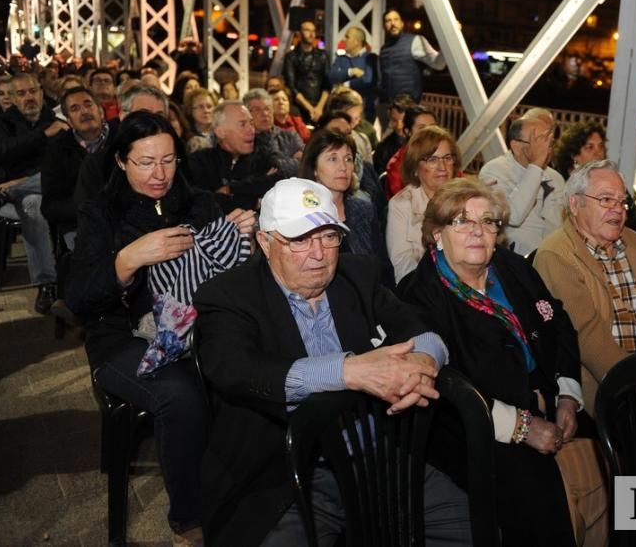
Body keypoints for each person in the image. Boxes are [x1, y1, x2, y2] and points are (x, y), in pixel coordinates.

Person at [192, 177, 470, 546]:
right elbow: (237, 370)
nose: (319, 253)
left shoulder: (358, 276)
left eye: (328, 236)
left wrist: (419, 365)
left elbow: (425, 332)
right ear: (264, 241)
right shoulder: (229, 295)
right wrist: (350, 371)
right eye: (299, 239)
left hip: (378, 459)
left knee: (476, 529)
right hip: (286, 476)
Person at [66, 111, 255, 545]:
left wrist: (241, 234)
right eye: (146, 162)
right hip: (121, 339)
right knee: (181, 395)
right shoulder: (100, 213)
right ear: (120, 162)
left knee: (247, 375)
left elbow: (227, 277)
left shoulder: (201, 202)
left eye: (169, 160)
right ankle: (190, 522)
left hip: (199, 332)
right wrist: (127, 260)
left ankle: (248, 493)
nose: (160, 174)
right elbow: (77, 299)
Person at [397, 177, 580, 547]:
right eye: (462, 221)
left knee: (623, 461)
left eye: (488, 221)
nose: (478, 232)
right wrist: (521, 427)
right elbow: (443, 385)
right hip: (473, 429)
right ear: (436, 234)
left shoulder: (513, 268)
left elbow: (557, 323)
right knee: (533, 493)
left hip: (548, 404)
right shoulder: (419, 296)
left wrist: (567, 394)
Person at [534, 160, 636, 414]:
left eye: (621, 201)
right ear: (575, 204)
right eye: (605, 199)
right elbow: (589, 340)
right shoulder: (556, 255)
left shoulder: (635, 244)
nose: (617, 209)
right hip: (598, 385)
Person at [0, 72, 66, 313]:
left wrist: (24, 180)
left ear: (41, 93)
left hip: (35, 189)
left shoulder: (55, 118)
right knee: (33, 206)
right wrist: (42, 135)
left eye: (33, 91)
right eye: (21, 93)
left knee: (40, 193)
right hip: (17, 199)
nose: (29, 97)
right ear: (14, 99)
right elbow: (1, 152)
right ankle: (47, 283)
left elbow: (60, 164)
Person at [479, 108, 565, 256]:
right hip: (513, 259)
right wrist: (536, 166)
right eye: (539, 141)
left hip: (551, 258)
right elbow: (513, 216)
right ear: (516, 147)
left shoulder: (556, 178)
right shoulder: (494, 171)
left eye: (549, 142)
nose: (546, 149)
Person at [41, 87, 114, 248]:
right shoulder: (56, 150)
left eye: (88, 105)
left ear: (100, 110)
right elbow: (50, 207)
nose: (84, 112)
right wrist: (88, 206)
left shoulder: (120, 137)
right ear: (68, 120)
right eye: (75, 109)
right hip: (80, 224)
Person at [387, 125, 459, 284]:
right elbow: (402, 266)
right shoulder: (402, 204)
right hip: (423, 287)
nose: (442, 167)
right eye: (432, 160)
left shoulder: (465, 200)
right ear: (415, 167)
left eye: (447, 158)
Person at [298, 129, 384, 259]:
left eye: (348, 159)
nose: (343, 167)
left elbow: (382, 264)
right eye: (333, 159)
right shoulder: (299, 213)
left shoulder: (364, 210)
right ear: (314, 168)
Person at [188, 101, 281, 211]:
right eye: (242, 124)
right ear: (220, 132)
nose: (251, 130)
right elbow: (202, 202)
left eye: (251, 123)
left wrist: (231, 189)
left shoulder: (263, 157)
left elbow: (278, 185)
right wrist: (255, 200)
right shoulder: (199, 161)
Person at [378, 9, 445, 121]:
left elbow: (438, 64)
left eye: (396, 19)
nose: (393, 23)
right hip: (389, 110)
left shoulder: (416, 41)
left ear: (402, 23)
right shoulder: (384, 49)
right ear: (384, 26)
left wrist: (448, 39)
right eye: (388, 21)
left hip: (408, 110)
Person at [243, 88, 302, 177]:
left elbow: (305, 164)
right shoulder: (244, 140)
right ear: (246, 113)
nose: (265, 113)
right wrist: (292, 161)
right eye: (257, 109)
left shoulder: (290, 136)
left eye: (267, 108)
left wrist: (276, 166)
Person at [383, 104, 437, 198]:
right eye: (422, 128)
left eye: (432, 127)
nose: (429, 132)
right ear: (408, 131)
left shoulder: (445, 155)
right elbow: (402, 200)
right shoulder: (397, 164)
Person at [282, 19, 330, 123]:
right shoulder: (291, 57)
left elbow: (328, 84)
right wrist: (310, 108)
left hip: (320, 106)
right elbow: (291, 85)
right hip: (299, 107)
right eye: (307, 30)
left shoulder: (323, 55)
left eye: (313, 31)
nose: (312, 34)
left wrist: (319, 108)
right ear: (299, 33)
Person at [328, 26, 378, 121]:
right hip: (340, 112)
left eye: (347, 37)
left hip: (364, 112)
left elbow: (367, 80)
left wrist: (346, 84)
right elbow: (332, 76)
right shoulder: (341, 58)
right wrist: (351, 72)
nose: (344, 40)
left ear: (357, 42)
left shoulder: (371, 58)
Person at [372, 94, 410, 172]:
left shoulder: (421, 143)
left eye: (403, 121)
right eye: (394, 120)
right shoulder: (383, 148)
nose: (399, 126)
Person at [183, 87, 216, 153]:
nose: (206, 111)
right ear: (190, 110)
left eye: (209, 106)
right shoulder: (185, 136)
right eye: (201, 107)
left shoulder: (222, 134)